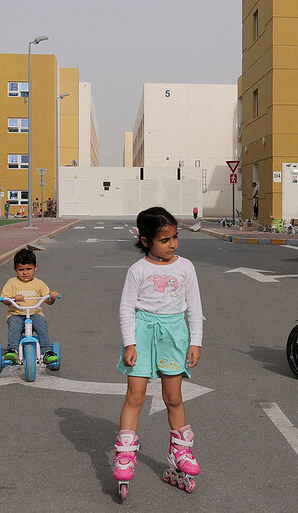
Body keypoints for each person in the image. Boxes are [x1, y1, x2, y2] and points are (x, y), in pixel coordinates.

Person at [113, 207, 204, 495]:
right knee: (135, 395)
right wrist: (130, 343)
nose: (172, 244)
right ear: (145, 241)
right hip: (142, 333)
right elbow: (127, 307)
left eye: (175, 237)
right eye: (165, 240)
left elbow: (195, 306)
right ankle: (125, 454)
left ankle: (180, 451)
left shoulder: (186, 267)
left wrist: (195, 341)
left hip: (174, 335)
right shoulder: (137, 270)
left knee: (173, 397)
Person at [0, 248, 59, 365]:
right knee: (14, 327)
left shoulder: (39, 284)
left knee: (41, 325)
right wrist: (13, 298)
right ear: (15, 269)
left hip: (35, 313)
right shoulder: (12, 283)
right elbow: (4, 299)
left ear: (35, 267)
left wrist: (52, 297)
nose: (25, 273)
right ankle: (12, 350)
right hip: (16, 314)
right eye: (21, 269)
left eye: (29, 269)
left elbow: (48, 301)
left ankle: (47, 351)